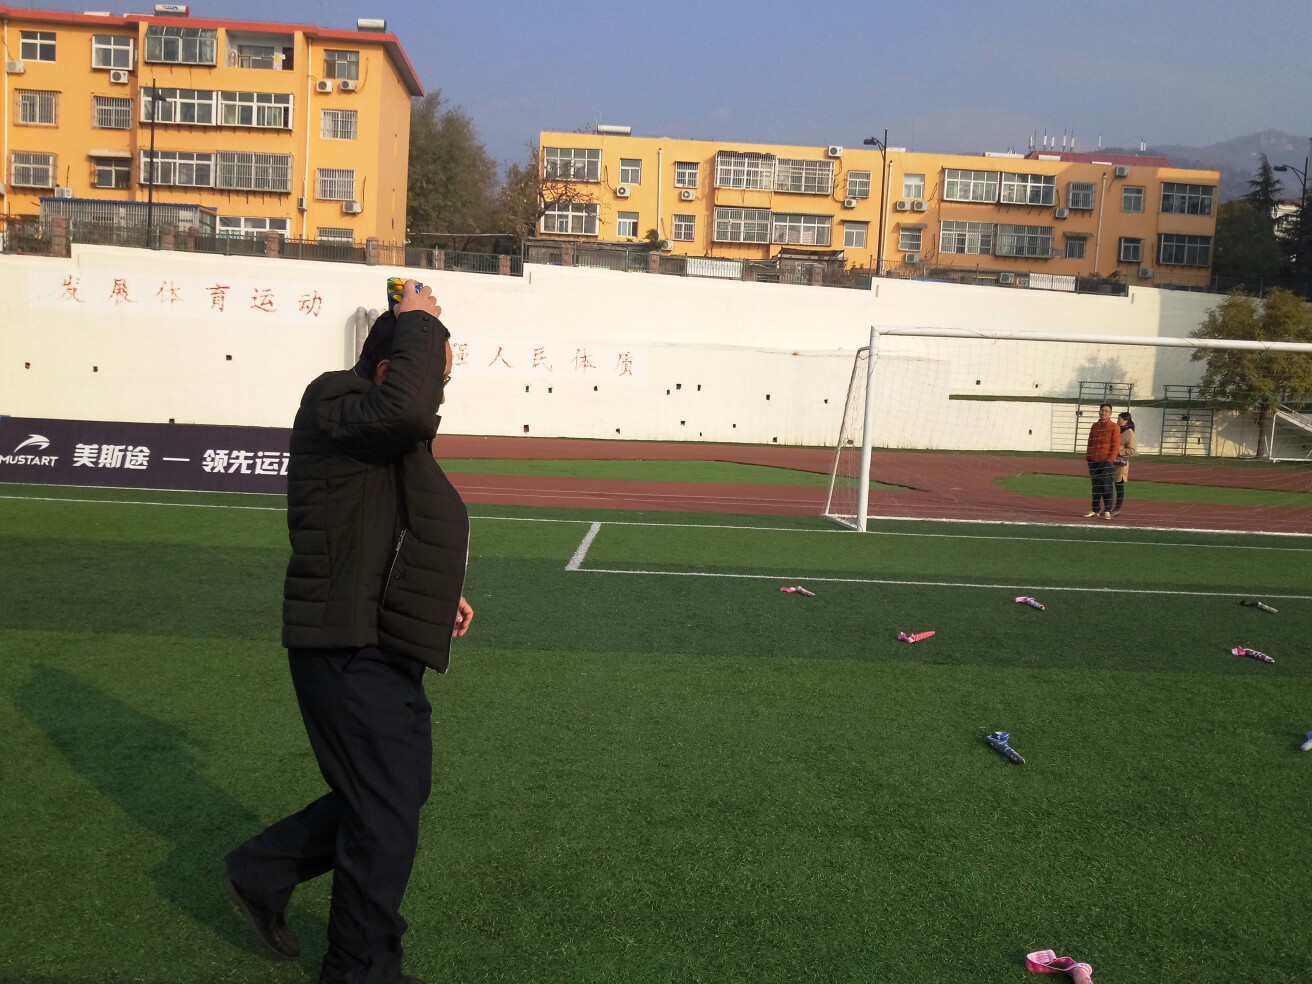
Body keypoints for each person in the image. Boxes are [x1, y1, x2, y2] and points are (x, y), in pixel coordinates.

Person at [223, 280, 473, 984]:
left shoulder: (376, 432)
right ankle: (359, 971)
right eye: (436, 376)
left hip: (381, 641)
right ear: (391, 368)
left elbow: (386, 524)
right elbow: (408, 407)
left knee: (397, 794)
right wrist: (418, 321)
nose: (441, 395)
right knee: (384, 814)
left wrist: (439, 593)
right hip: (345, 645)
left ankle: (260, 870)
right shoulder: (335, 401)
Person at [1084, 402, 1121, 520]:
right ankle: (1095, 510)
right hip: (1093, 460)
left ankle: (1107, 510)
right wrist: (1088, 456)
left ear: (1110, 413)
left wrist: (1110, 459)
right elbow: (1090, 441)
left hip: (1106, 460)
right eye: (1102, 410)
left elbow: (1115, 445)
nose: (1103, 413)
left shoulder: (1114, 427)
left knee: (1106, 485)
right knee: (1095, 486)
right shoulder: (1095, 426)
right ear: (1099, 412)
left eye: (1106, 411)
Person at [1112, 412, 1137, 516]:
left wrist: (1118, 452)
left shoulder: (1129, 432)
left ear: (1125, 421)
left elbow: (1132, 449)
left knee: (1119, 485)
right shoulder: (1116, 429)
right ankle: (1108, 507)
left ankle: (1117, 508)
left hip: (1120, 463)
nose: (1117, 421)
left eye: (1119, 419)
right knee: (1107, 484)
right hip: (1111, 461)